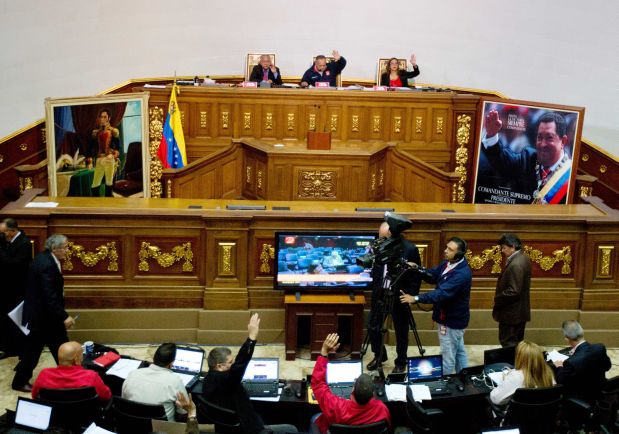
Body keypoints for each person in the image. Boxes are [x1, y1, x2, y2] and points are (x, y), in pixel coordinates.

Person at [203, 313, 298, 434]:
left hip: (226, 427)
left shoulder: (207, 381)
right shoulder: (228, 380)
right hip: (248, 429)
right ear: (220, 366)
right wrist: (251, 338)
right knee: (292, 429)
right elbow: (240, 365)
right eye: (230, 362)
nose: (234, 364)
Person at [12, 234, 75, 392]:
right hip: (44, 317)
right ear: (55, 248)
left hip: (44, 316)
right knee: (37, 350)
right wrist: (64, 316)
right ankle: (20, 381)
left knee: (56, 346)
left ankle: (71, 376)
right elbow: (49, 296)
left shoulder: (45, 257)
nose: (68, 250)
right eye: (66, 247)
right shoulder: (47, 265)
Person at [400, 237, 472, 375]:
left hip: (451, 321)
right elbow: (433, 275)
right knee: (459, 351)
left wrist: (415, 298)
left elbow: (440, 294)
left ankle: (444, 384)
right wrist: (417, 269)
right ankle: (465, 377)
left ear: (459, 254)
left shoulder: (461, 274)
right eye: (447, 247)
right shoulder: (448, 263)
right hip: (452, 318)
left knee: (448, 356)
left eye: (450, 249)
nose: (445, 251)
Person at [367, 217, 422, 374]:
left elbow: (416, 275)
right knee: (373, 326)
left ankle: (401, 361)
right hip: (380, 293)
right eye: (379, 236)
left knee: (401, 331)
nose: (380, 240)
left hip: (400, 295)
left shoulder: (409, 249)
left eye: (383, 237)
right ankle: (379, 356)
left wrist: (411, 295)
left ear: (392, 234)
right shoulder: (379, 246)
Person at [482, 110, 572, 204]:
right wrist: (491, 135)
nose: (542, 144)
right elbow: (501, 160)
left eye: (549, 138)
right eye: (539, 137)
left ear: (563, 141)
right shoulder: (528, 158)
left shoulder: (570, 173)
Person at [310, 333, 391, 434]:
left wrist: (324, 352)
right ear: (373, 394)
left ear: (353, 390)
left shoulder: (337, 407)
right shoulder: (381, 409)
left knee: (314, 418)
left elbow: (318, 384)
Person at [122, 342, 188, 421]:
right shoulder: (175, 381)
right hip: (163, 429)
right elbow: (184, 411)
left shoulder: (132, 374)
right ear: (171, 364)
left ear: (154, 358)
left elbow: (124, 401)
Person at [553, 320, 611, 404]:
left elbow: (561, 382)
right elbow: (607, 367)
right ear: (582, 332)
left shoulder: (571, 362)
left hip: (582, 398)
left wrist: (559, 366)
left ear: (566, 338)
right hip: (599, 391)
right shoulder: (600, 348)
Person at [31, 341, 111, 400]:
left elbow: (34, 396)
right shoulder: (91, 376)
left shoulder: (44, 374)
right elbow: (106, 396)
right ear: (76, 359)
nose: (83, 357)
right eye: (81, 354)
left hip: (55, 416)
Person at [0, 218, 32, 359]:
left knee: (15, 320)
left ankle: (18, 348)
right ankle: (9, 347)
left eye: (3, 233)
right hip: (8, 289)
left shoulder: (24, 243)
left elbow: (14, 265)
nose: (2, 236)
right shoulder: (9, 241)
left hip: (17, 289)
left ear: (12, 231)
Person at [492, 233, 531, 347]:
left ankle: (511, 365)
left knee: (508, 343)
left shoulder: (516, 264)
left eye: (504, 248)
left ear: (513, 247)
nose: (502, 251)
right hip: (519, 312)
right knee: (517, 343)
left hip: (511, 314)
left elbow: (513, 291)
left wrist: (497, 298)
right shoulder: (523, 258)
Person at [490, 340, 554, 408]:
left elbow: (495, 399)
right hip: (543, 415)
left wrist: (505, 381)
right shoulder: (548, 372)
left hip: (519, 416)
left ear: (520, 358)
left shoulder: (515, 377)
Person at [89, 108, 120, 197]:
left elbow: (118, 147)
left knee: (109, 183)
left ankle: (108, 205)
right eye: (101, 117)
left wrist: (113, 155)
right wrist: (90, 160)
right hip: (99, 160)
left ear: (108, 118)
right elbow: (91, 148)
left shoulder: (113, 131)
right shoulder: (96, 133)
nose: (102, 119)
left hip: (109, 159)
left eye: (104, 117)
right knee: (95, 185)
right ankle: (96, 205)